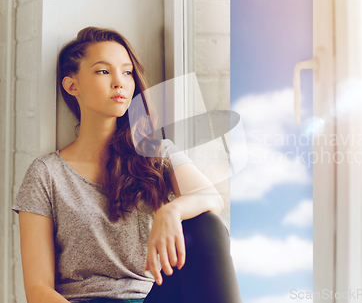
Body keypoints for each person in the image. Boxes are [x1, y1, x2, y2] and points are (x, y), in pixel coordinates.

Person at [11, 27, 242, 303]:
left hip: (149, 296)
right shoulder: (46, 174)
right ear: (72, 85)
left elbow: (211, 198)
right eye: (103, 71)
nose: (119, 82)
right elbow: (38, 289)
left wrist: (172, 211)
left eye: (127, 72)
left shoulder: (157, 155)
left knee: (206, 225)